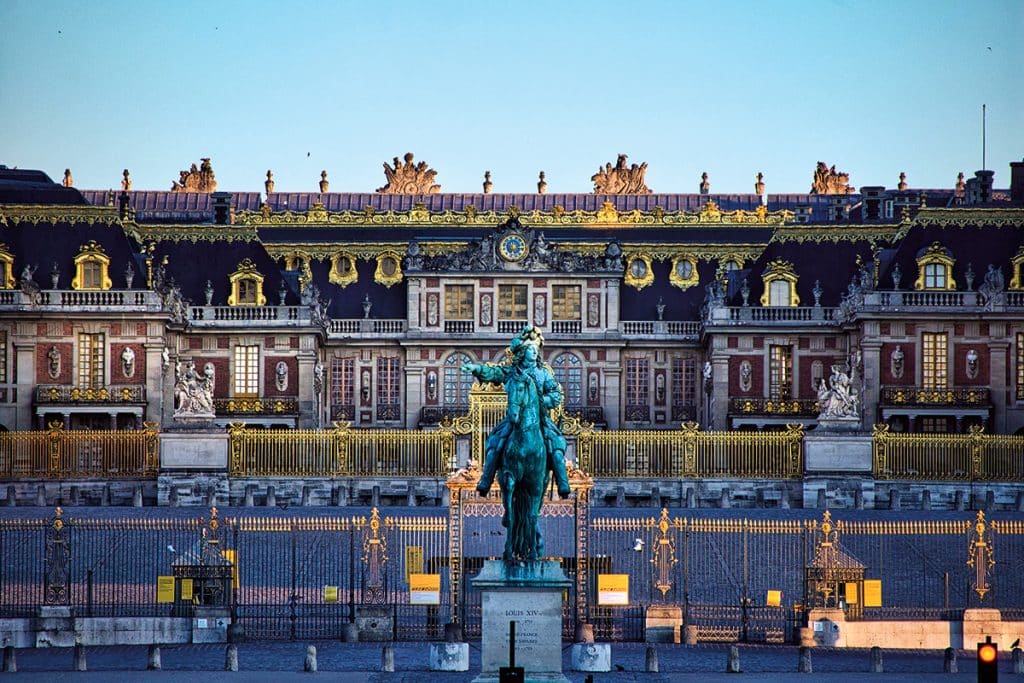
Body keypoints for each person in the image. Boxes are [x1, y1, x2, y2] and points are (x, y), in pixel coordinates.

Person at [461, 326, 571, 498]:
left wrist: (541, 403)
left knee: (556, 448)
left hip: (539, 419)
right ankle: (486, 480)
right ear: (523, 352)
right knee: (495, 444)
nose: (534, 353)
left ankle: (563, 482)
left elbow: (556, 395)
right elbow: (494, 372)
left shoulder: (543, 373)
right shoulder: (513, 371)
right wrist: (477, 369)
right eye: (530, 349)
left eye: (536, 349)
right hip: (514, 419)